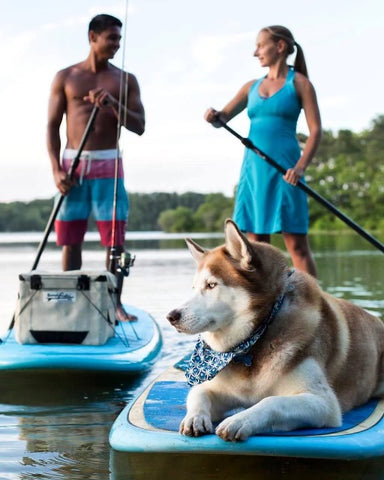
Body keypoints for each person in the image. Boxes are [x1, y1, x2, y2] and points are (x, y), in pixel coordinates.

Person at [47, 13, 145, 321]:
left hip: (109, 164)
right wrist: (56, 170)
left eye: (119, 39)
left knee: (115, 240)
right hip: (72, 164)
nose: (117, 44)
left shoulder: (125, 79)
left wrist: (113, 105)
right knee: (70, 239)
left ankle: (114, 304)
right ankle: (72, 303)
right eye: (111, 38)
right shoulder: (66, 77)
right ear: (93, 37)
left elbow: (140, 126)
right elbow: (51, 127)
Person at [205, 25, 321, 277]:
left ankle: (316, 304)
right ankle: (268, 305)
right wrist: (214, 116)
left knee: (297, 245)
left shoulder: (300, 83)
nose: (255, 52)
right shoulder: (250, 87)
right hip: (254, 170)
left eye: (260, 45)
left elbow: (315, 131)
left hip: (287, 170)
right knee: (256, 246)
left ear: (279, 47)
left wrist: (300, 167)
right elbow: (222, 118)